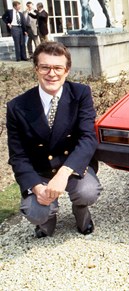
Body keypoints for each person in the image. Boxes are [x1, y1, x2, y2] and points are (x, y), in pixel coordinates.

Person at [6, 41, 102, 238]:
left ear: (66, 71)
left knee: (88, 192)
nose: (52, 73)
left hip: (71, 165)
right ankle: (48, 218)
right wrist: (36, 186)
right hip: (40, 170)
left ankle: (80, 210)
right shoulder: (17, 106)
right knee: (36, 211)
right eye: (45, 67)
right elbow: (18, 156)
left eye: (58, 67)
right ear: (36, 69)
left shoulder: (80, 94)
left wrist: (64, 173)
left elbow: (88, 138)